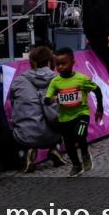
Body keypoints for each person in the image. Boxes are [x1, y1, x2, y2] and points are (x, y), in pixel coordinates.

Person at [45, 47, 104, 177]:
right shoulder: (55, 82)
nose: (60, 67)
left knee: (79, 134)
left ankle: (85, 153)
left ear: (72, 62)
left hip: (81, 114)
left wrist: (100, 108)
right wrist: (52, 99)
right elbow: (46, 100)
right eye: (57, 64)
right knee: (69, 145)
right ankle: (76, 165)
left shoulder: (81, 79)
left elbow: (97, 90)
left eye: (63, 63)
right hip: (65, 118)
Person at [9, 45, 66, 174]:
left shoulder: (18, 81)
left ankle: (27, 152)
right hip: (52, 134)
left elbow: (13, 105)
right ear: (50, 62)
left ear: (31, 62)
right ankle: (55, 149)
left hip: (26, 134)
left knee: (20, 125)